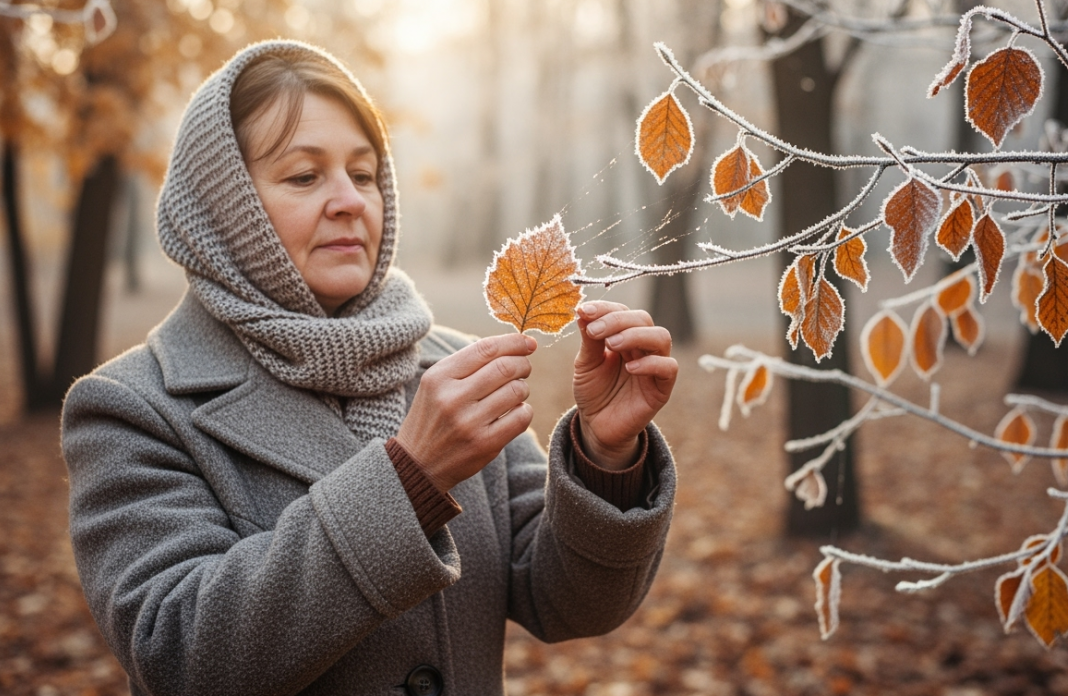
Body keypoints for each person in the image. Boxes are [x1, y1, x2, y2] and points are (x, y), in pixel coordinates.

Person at [62, 40, 679, 696]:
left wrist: (605, 456)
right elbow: (180, 655)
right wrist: (409, 478)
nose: (351, 201)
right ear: (225, 209)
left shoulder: (448, 368)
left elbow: (566, 602)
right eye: (305, 176)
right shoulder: (130, 407)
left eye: (363, 174)